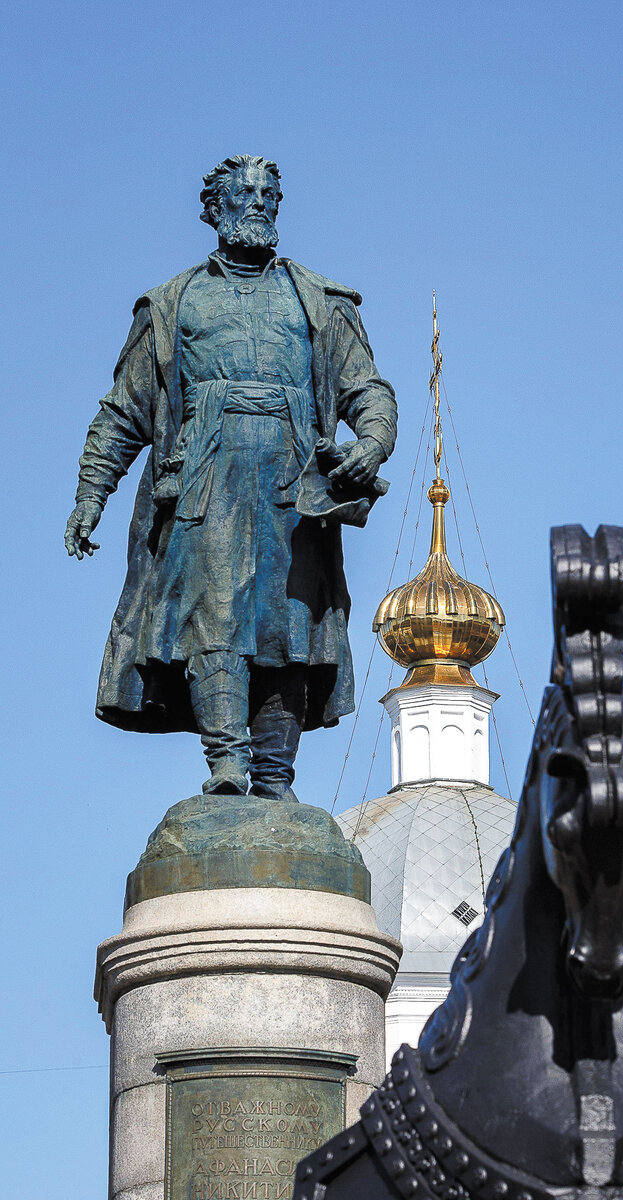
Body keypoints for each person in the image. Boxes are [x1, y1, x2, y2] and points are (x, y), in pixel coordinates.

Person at [65, 155, 397, 801]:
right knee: (212, 621)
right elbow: (124, 410)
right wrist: (90, 495)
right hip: (205, 481)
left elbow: (367, 387)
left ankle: (275, 781)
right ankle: (227, 764)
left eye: (268, 195)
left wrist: (374, 441)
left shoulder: (322, 302)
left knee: (290, 632)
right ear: (212, 208)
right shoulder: (173, 303)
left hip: (296, 484)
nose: (257, 204)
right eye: (242, 194)